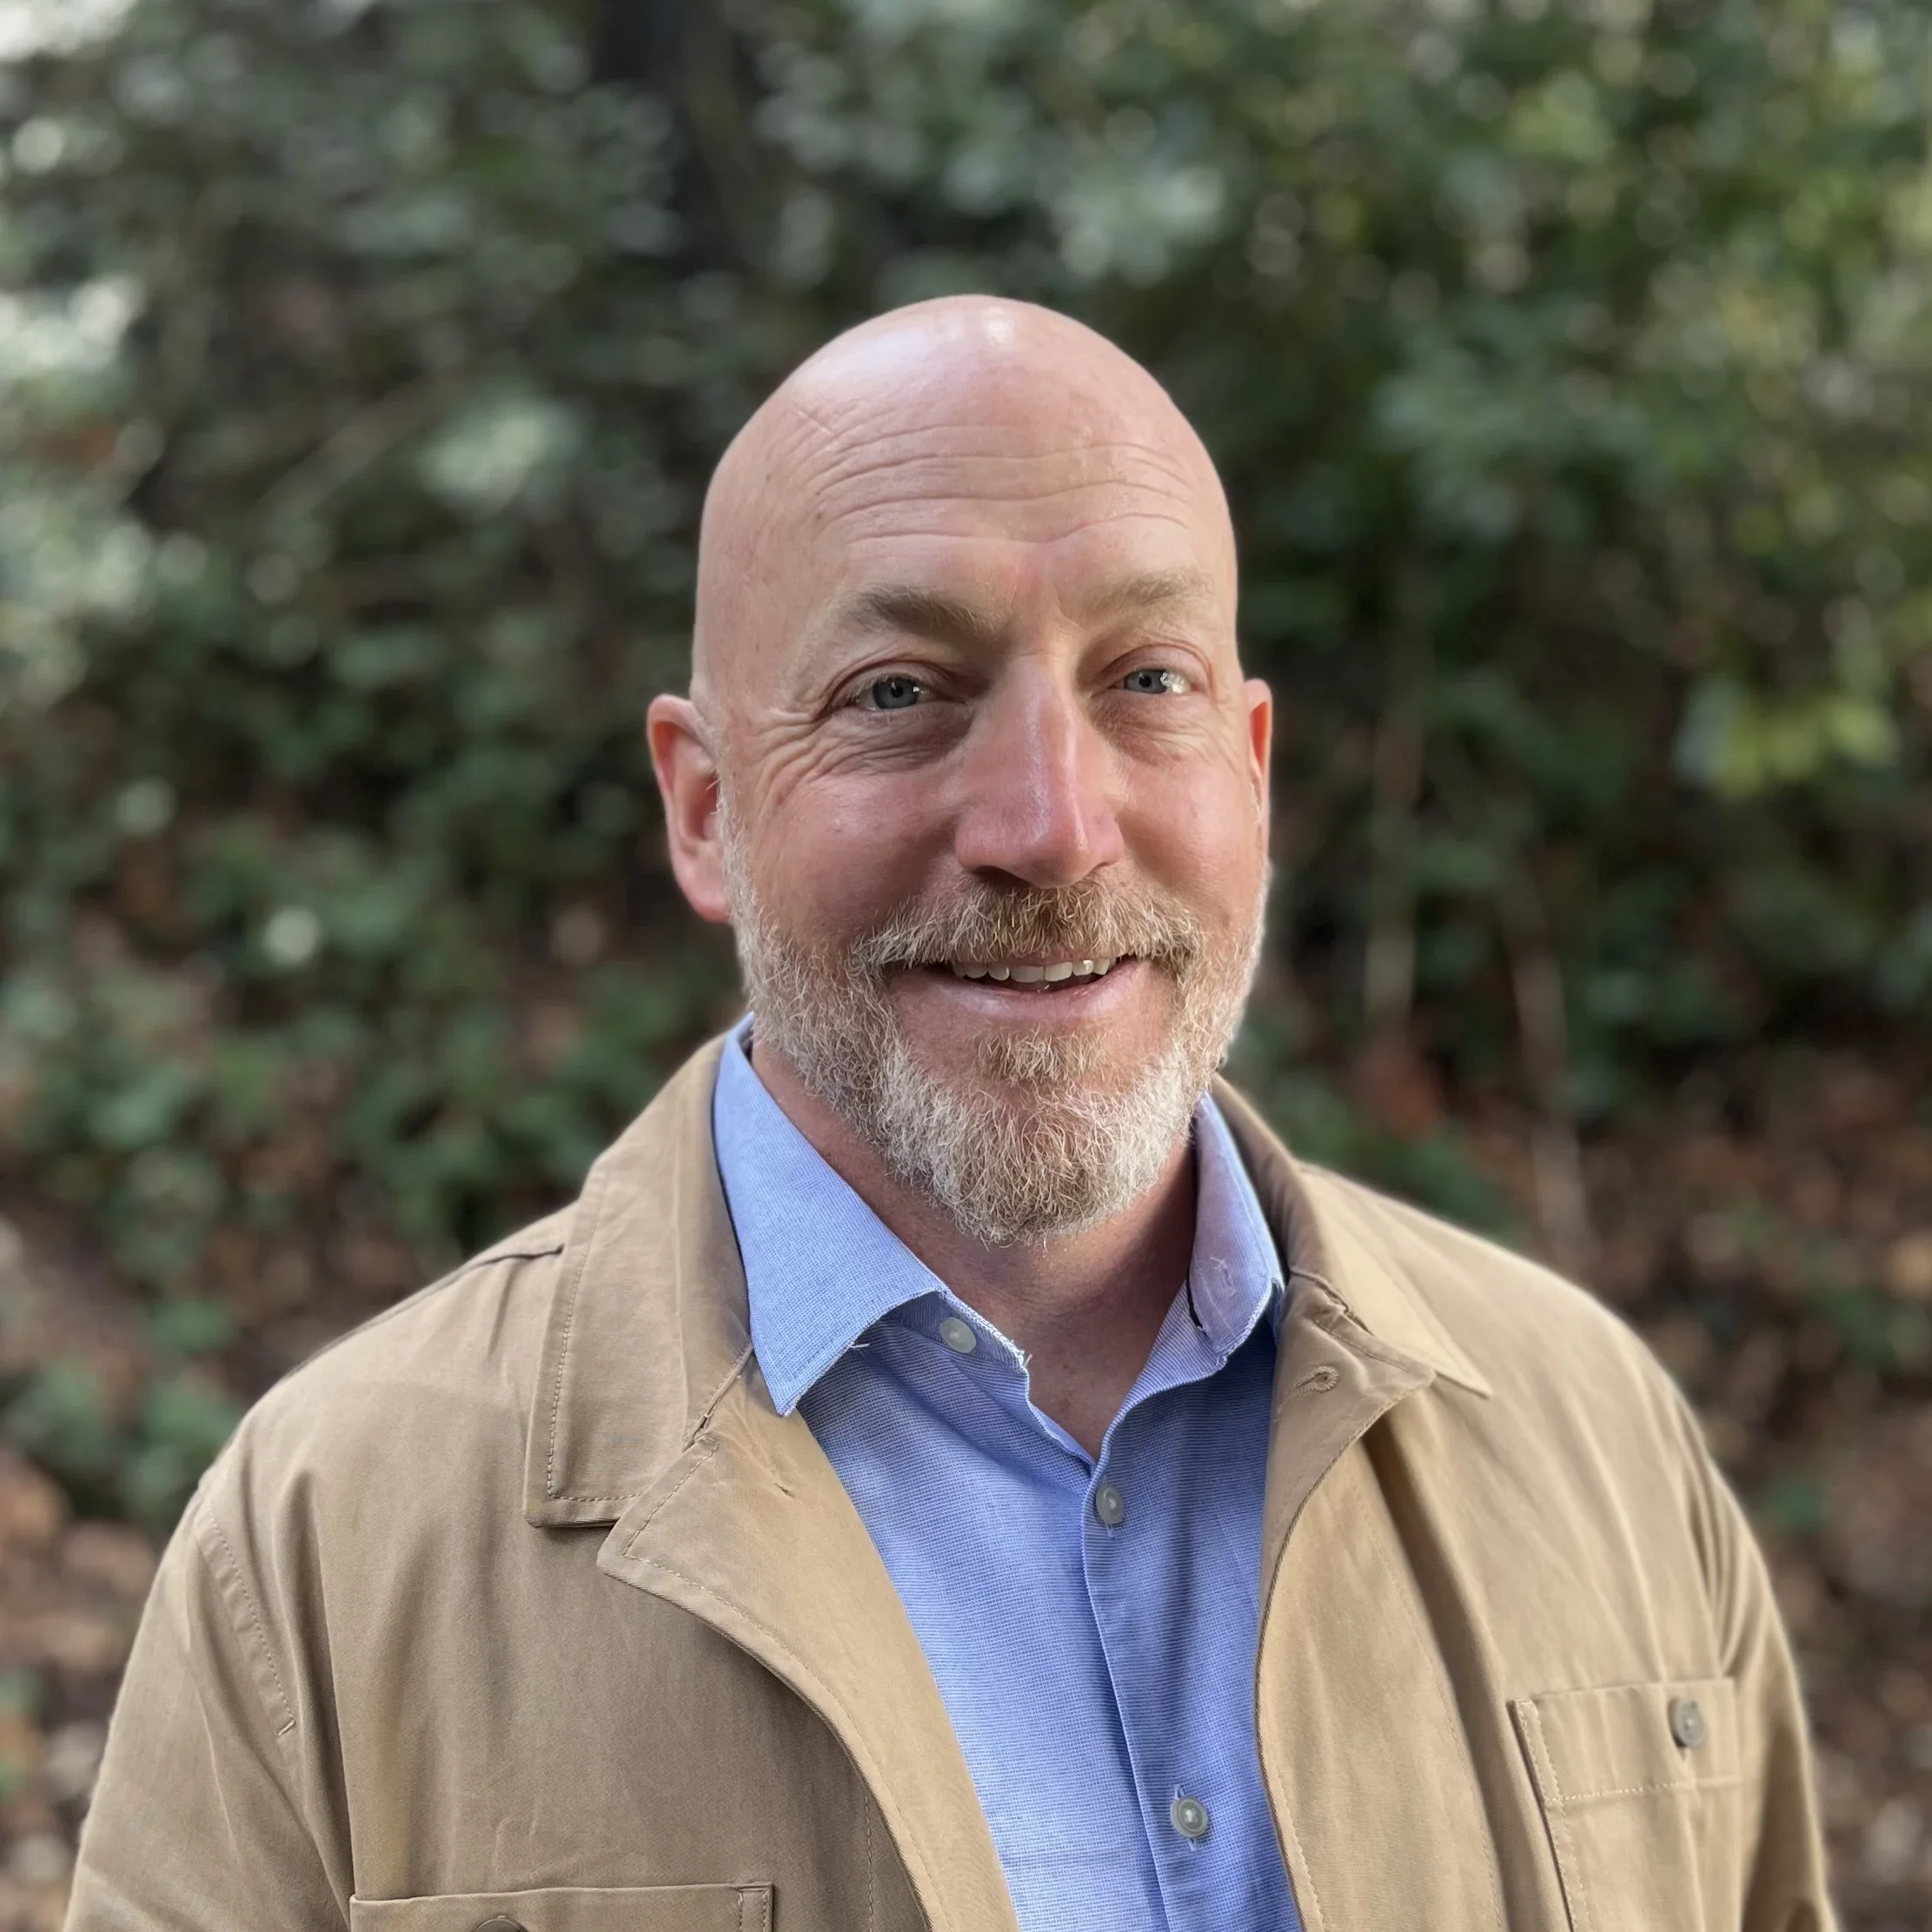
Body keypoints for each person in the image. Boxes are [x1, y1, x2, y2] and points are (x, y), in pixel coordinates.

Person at [70, 298, 1835, 1932]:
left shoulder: (1590, 1432)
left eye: (1146, 680)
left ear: (1252, 763)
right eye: (898, 695)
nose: (1053, 826)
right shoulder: (328, 1548)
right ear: (702, 811)